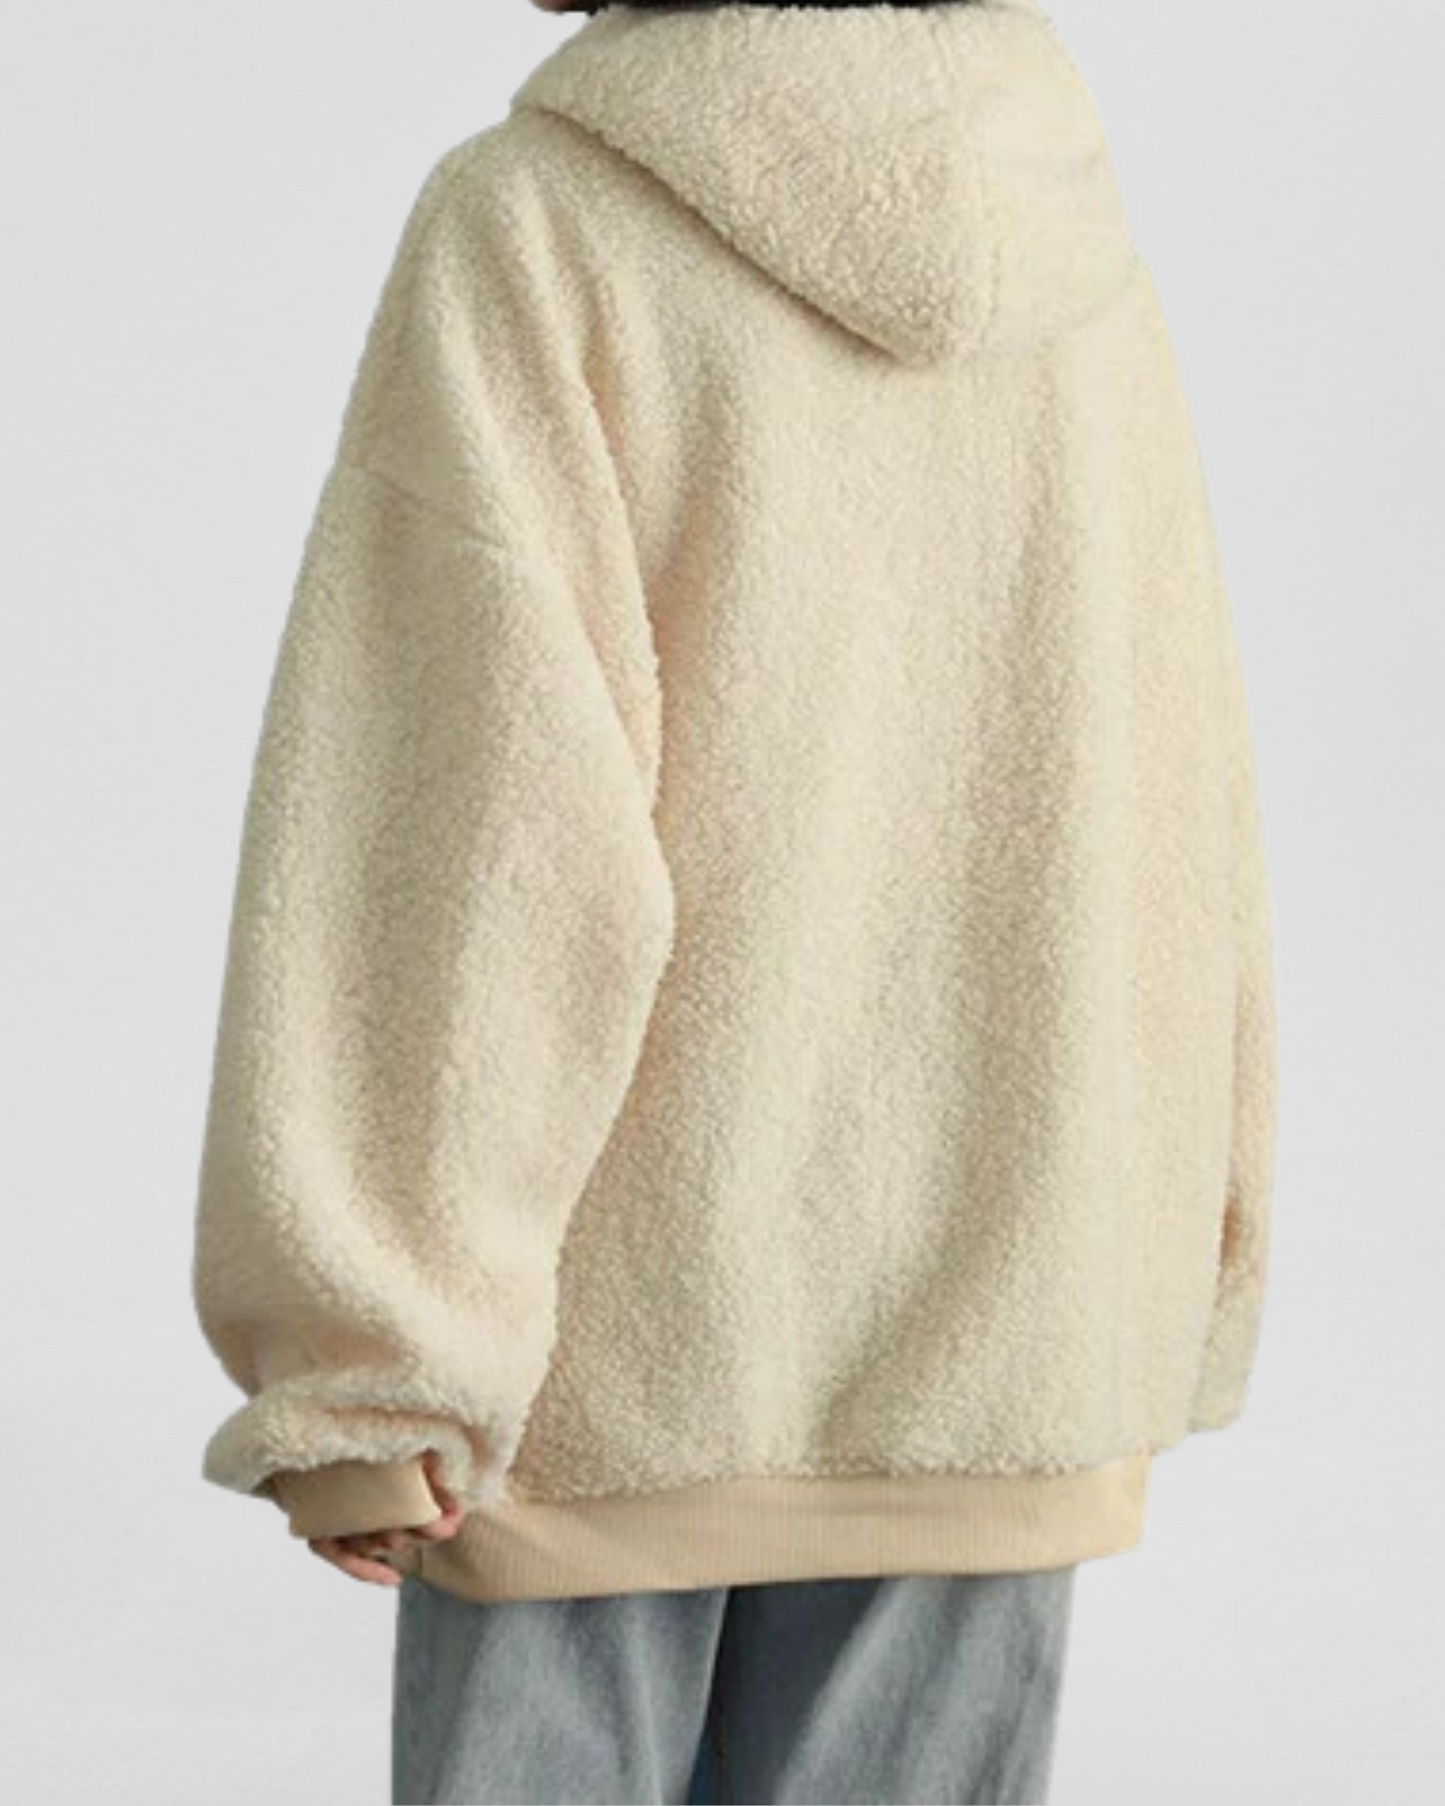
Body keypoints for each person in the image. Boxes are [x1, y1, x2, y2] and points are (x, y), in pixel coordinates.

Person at [189, 1, 1280, 1800]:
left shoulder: (537, 223)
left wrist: (376, 1355)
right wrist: (1178, 1261)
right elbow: (1173, 788)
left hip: (605, 1378)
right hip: (1010, 1336)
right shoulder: (1074, 233)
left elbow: (457, 818)